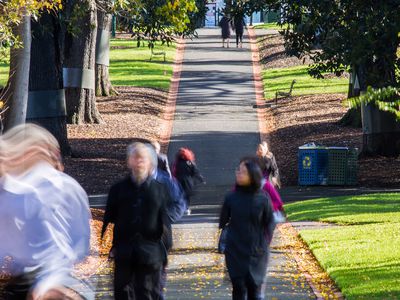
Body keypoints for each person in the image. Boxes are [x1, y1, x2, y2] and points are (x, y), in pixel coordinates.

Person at [0, 124, 93, 300]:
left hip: (57, 279)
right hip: (23, 280)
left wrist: (50, 282)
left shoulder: (64, 188)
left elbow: (77, 242)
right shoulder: (9, 192)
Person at [101, 142, 172, 300]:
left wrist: (165, 250)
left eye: (143, 158)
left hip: (151, 254)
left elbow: (164, 222)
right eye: (135, 158)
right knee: (124, 293)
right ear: (129, 161)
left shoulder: (159, 189)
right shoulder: (118, 189)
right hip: (125, 252)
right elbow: (111, 218)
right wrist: (113, 246)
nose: (139, 161)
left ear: (150, 163)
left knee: (147, 294)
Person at [219, 157, 274, 300]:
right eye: (238, 170)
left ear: (253, 175)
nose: (239, 173)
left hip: (257, 253)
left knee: (254, 292)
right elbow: (223, 221)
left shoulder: (263, 198)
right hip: (235, 252)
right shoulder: (231, 197)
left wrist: (264, 243)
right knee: (238, 290)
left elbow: (270, 223)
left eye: (243, 172)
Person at [172, 147, 204, 216]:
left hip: (178, 181)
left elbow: (172, 172)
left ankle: (180, 208)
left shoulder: (176, 163)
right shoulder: (189, 163)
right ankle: (186, 208)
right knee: (187, 196)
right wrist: (200, 179)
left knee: (179, 195)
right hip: (188, 182)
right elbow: (195, 171)